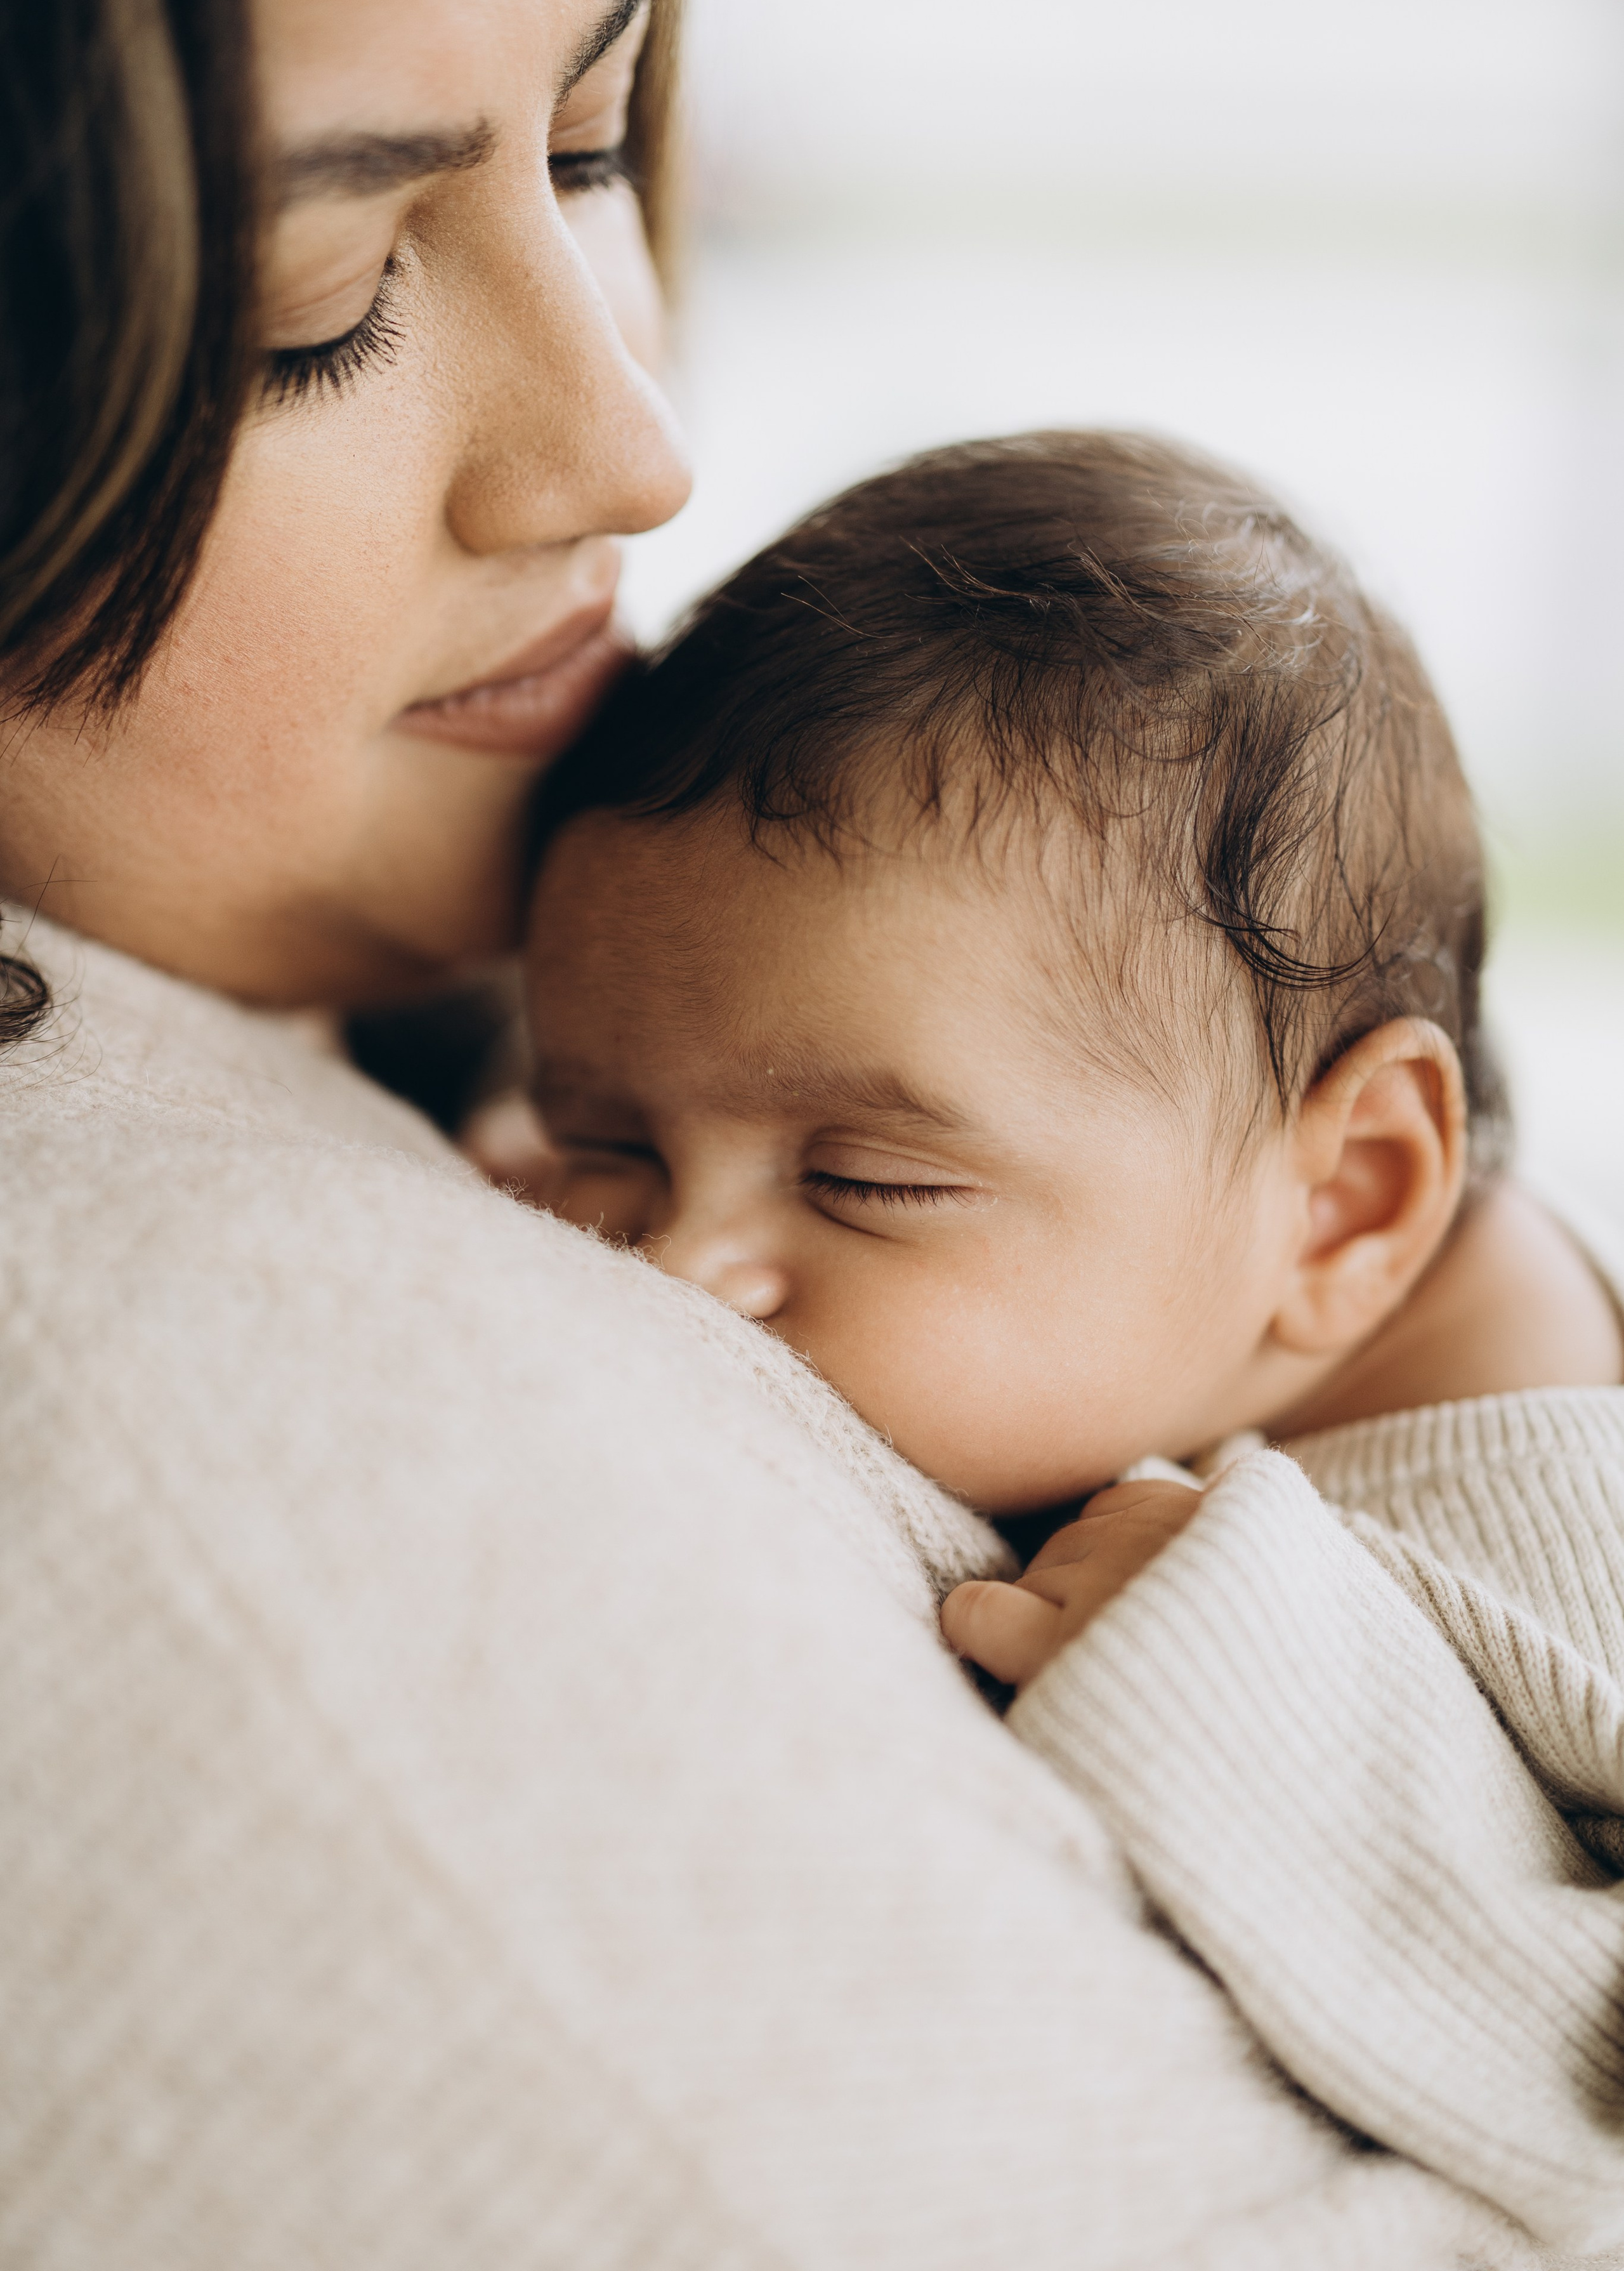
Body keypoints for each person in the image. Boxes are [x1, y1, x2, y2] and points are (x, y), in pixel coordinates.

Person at [0, 0, 1602, 2260]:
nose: (636, 447)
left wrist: (1292, 1713)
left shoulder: (1505, 1495)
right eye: (315, 301)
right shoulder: (180, 1470)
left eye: (589, 142)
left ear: (1354, 1195)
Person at [518, 430, 1624, 2250]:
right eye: (608, 1136)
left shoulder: (1551, 1533)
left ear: (1345, 1201)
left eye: (864, 1177)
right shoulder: (1175, 1252)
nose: (676, 1261)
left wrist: (1276, 1689)